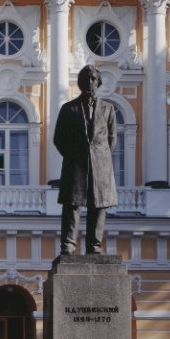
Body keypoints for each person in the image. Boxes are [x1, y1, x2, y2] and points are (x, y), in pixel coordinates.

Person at [53, 64, 118, 255]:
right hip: (76, 164)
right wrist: (74, 156)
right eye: (86, 79)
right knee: (72, 206)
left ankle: (94, 246)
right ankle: (68, 245)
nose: (90, 82)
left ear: (98, 82)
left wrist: (100, 157)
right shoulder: (68, 109)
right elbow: (59, 138)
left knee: (98, 206)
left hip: (100, 166)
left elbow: (112, 139)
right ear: (80, 83)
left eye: (93, 78)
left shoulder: (108, 109)